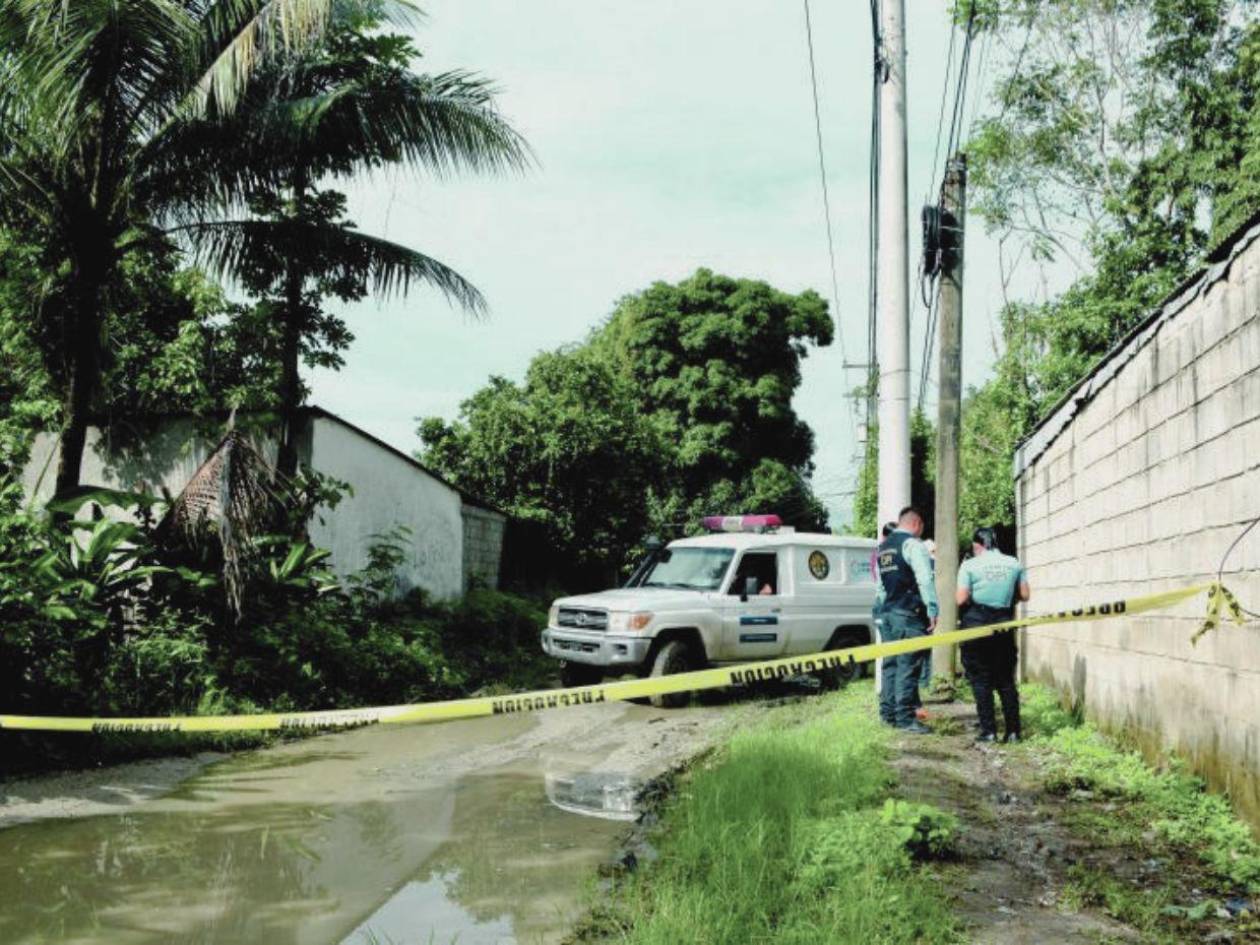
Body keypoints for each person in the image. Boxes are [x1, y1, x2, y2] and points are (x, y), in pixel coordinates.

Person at [956, 527, 1030, 744]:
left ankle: (989, 731)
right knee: (1006, 680)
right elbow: (1025, 594)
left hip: (976, 626)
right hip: (1003, 625)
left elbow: (961, 599)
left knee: (981, 680)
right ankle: (1014, 732)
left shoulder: (969, 565)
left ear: (977, 545)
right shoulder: (1014, 563)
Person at [877, 506, 939, 734]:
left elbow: (881, 587)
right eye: (921, 528)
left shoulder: (883, 548)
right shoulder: (913, 545)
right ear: (916, 524)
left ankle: (888, 714)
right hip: (909, 613)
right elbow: (924, 579)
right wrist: (932, 609)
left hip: (888, 613)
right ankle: (905, 719)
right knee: (908, 665)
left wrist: (882, 614)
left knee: (890, 665)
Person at [872, 522, 896, 723]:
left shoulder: (878, 553)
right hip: (887, 608)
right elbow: (883, 586)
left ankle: (890, 707)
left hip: (882, 608)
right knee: (893, 661)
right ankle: (889, 708)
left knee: (892, 660)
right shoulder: (885, 553)